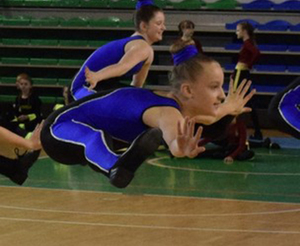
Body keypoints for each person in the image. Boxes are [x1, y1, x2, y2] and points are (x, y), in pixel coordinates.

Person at [41, 46, 255, 189]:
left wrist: (228, 108)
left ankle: (120, 163)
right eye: (214, 87)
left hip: (79, 145)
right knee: (94, 137)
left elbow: (209, 117)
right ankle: (116, 167)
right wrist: (180, 149)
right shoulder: (167, 112)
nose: (222, 94)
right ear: (188, 91)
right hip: (58, 129)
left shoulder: (176, 107)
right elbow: (174, 139)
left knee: (99, 138)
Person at [71, 0, 166, 101]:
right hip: (86, 87)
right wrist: (97, 76)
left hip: (102, 85)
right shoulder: (141, 46)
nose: (163, 27)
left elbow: (136, 86)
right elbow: (121, 67)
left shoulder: (147, 50)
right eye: (159, 23)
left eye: (163, 23)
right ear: (143, 26)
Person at [234, 21, 262, 141]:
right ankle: (256, 131)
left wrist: (248, 64)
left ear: (244, 31)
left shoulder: (247, 43)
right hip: (241, 72)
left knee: (237, 101)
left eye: (238, 30)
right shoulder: (247, 43)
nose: (236, 33)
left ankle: (236, 130)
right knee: (245, 102)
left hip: (241, 73)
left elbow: (256, 53)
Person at [9, 73, 42, 137]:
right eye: (21, 84)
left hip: (31, 121)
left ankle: (26, 134)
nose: (23, 86)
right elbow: (15, 112)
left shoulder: (35, 99)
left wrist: (27, 116)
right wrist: (18, 118)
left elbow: (38, 114)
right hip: (20, 122)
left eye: (26, 84)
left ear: (30, 86)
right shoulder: (17, 98)